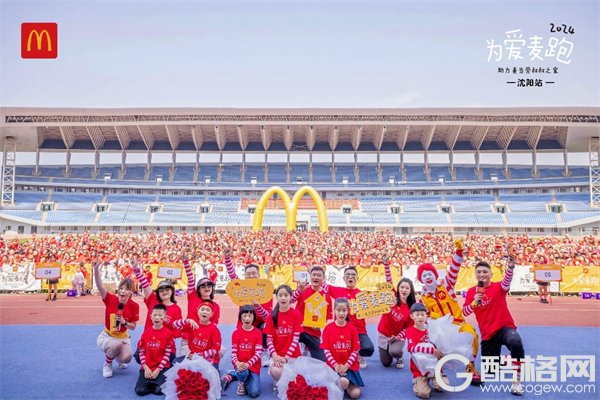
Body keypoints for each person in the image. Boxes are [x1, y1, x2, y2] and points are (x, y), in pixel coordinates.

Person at [416, 239, 481, 384]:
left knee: (473, 335)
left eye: (429, 274)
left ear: (434, 275)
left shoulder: (447, 284)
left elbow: (454, 268)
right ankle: (437, 371)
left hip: (457, 324)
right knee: (434, 346)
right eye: (424, 275)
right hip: (440, 330)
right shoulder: (423, 299)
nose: (427, 277)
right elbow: (424, 318)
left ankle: (470, 367)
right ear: (421, 280)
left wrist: (458, 251)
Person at [463, 247, 525, 396]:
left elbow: (507, 280)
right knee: (491, 370)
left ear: (491, 274)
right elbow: (465, 312)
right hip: (487, 335)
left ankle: (517, 381)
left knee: (515, 341)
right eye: (479, 272)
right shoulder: (472, 292)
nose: (482, 274)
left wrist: (510, 266)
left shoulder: (499, 287)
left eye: (485, 272)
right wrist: (474, 302)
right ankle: (504, 360)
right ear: (475, 275)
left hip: (504, 328)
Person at [320, 266, 374, 369]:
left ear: (357, 278)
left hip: (359, 331)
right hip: (340, 329)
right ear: (344, 278)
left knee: (368, 348)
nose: (350, 277)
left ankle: (359, 354)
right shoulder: (337, 291)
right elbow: (322, 284)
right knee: (326, 352)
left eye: (353, 275)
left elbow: (375, 307)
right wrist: (311, 272)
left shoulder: (362, 295)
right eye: (348, 275)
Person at [93, 261, 140, 378]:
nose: (122, 291)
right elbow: (100, 286)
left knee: (127, 358)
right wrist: (96, 271)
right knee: (116, 345)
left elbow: (133, 327)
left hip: (123, 336)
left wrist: (125, 322)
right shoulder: (110, 299)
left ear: (131, 292)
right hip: (108, 335)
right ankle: (107, 364)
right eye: (121, 288)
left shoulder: (134, 306)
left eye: (126, 289)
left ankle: (119, 359)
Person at [321, 298, 364, 399]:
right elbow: (326, 351)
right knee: (343, 382)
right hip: (333, 366)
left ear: (348, 311)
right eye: (338, 310)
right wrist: (335, 365)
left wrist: (347, 365)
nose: (341, 313)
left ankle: (343, 384)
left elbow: (355, 350)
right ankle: (336, 384)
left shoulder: (352, 329)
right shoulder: (328, 328)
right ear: (334, 310)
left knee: (355, 394)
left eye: (344, 310)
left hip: (349, 366)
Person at [262, 285, 303, 389]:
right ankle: (277, 380)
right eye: (280, 295)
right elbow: (269, 339)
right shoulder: (272, 316)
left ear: (290, 297)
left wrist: (286, 357)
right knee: (276, 371)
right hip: (277, 355)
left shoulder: (296, 314)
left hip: (292, 355)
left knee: (298, 381)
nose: (283, 298)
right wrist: (275, 356)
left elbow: (295, 339)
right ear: (277, 297)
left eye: (286, 295)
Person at [405, 303, 447, 399]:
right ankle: (420, 381)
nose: (420, 317)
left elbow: (439, 344)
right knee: (424, 394)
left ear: (426, 316)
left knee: (442, 386)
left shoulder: (430, 329)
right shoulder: (410, 331)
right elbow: (412, 348)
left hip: (434, 366)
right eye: (417, 314)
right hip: (419, 370)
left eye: (423, 314)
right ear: (412, 316)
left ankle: (436, 377)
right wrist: (431, 350)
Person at [220, 305, 263, 398]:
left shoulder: (258, 333)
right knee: (243, 372)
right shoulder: (236, 333)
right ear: (240, 317)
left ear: (254, 318)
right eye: (244, 315)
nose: (247, 318)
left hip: (253, 366)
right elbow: (234, 353)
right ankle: (241, 380)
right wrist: (237, 362)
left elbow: (258, 353)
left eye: (250, 315)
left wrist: (248, 364)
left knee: (254, 393)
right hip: (240, 365)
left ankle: (233, 374)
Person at [182, 254, 220, 355]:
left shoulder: (216, 306)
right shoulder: (193, 297)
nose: (206, 288)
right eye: (203, 286)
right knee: (187, 367)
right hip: (188, 338)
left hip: (205, 341)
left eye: (209, 285)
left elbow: (214, 325)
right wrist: (186, 263)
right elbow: (190, 280)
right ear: (198, 289)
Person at [292, 266, 331, 362]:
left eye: (319, 275)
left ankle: (307, 348)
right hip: (298, 328)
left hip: (313, 332)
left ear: (323, 278)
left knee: (322, 361)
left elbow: (327, 318)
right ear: (310, 276)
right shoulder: (303, 289)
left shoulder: (326, 296)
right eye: (314, 275)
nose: (316, 277)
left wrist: (319, 326)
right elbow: (290, 301)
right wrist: (299, 290)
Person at [135, 304, 174, 396]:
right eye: (155, 315)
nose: (157, 318)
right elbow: (141, 352)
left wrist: (158, 369)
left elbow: (167, 354)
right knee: (140, 391)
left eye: (160, 315)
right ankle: (150, 382)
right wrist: (145, 367)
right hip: (148, 366)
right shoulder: (146, 333)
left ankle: (154, 382)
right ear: (150, 316)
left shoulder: (168, 333)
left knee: (159, 391)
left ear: (164, 317)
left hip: (161, 367)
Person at [377, 277, 416, 369]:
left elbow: (407, 329)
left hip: (397, 337)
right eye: (402, 287)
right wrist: (386, 264)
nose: (404, 290)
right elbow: (388, 280)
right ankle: (387, 350)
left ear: (411, 291)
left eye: (407, 288)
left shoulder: (411, 308)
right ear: (398, 288)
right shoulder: (391, 296)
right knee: (386, 363)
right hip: (383, 334)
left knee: (394, 352)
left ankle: (399, 356)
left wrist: (397, 337)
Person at [176, 300, 222, 370]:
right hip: (192, 356)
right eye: (202, 309)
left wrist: (199, 355)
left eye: (208, 310)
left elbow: (215, 349)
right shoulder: (192, 324)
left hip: (206, 359)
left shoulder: (214, 330)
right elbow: (174, 325)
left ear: (212, 314)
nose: (204, 312)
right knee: (176, 363)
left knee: (207, 377)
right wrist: (186, 321)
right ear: (198, 311)